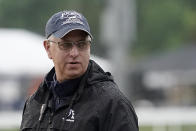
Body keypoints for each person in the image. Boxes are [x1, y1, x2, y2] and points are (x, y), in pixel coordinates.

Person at [20, 10, 138, 131]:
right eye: (65, 45)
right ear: (48, 48)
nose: (74, 53)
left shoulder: (112, 104)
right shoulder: (34, 102)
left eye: (82, 44)